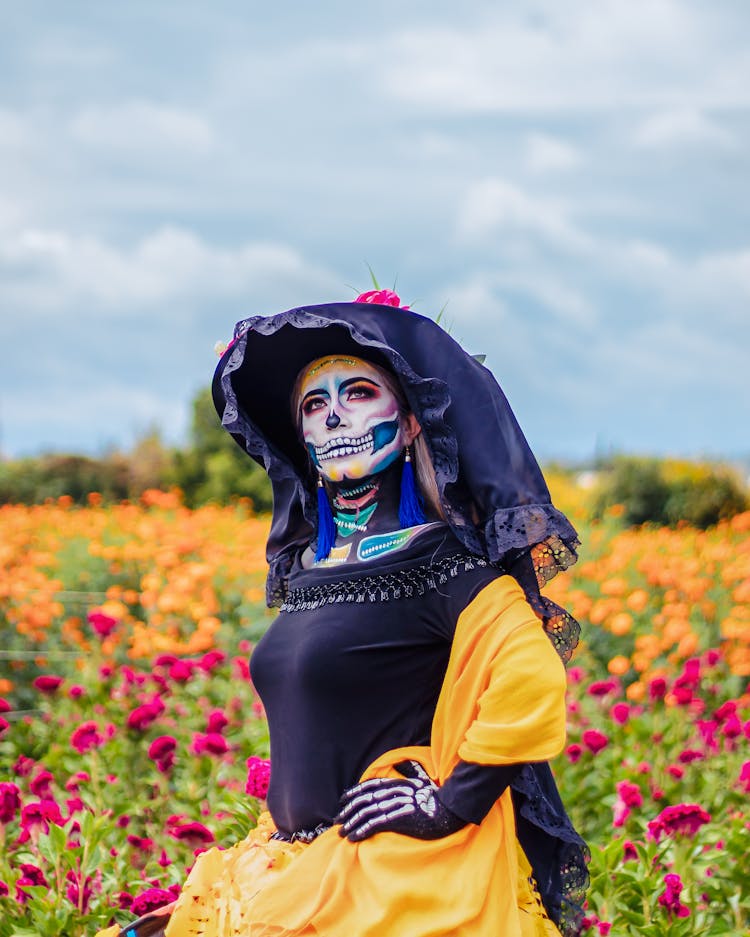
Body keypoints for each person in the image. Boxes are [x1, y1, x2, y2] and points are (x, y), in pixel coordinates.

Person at [100, 290, 587, 937]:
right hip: (289, 868)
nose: (333, 417)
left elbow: (532, 677)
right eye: (314, 403)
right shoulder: (309, 571)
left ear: (411, 422)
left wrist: (449, 803)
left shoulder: (446, 566)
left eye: (357, 393)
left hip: (394, 886)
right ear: (300, 434)